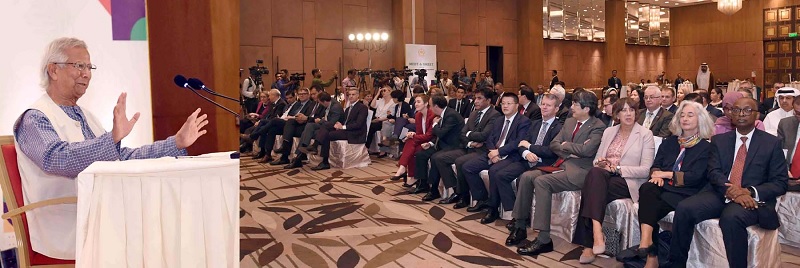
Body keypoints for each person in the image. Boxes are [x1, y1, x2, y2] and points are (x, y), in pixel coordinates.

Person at [13, 37, 208, 260]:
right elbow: (58, 159)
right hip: (65, 223)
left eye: (89, 67)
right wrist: (111, 139)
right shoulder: (35, 118)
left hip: (98, 215)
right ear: (53, 70)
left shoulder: (87, 116)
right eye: (79, 66)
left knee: (166, 220)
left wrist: (175, 143)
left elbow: (121, 158)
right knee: (150, 230)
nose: (86, 74)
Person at [669, 97, 788, 268]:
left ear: (757, 115)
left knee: (731, 218)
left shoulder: (771, 143)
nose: (741, 114)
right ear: (730, 114)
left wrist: (748, 192)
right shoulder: (720, 140)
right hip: (722, 192)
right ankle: (676, 264)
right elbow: (714, 172)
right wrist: (732, 191)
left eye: (747, 110)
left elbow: (780, 183)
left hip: (753, 200)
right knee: (685, 208)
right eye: (736, 110)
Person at [513, 90, 607, 256]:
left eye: (575, 105)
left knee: (542, 182)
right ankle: (519, 225)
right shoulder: (570, 122)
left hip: (579, 172)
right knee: (527, 176)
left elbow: (587, 150)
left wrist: (566, 145)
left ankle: (543, 239)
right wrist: (570, 149)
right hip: (561, 165)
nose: (571, 107)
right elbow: (554, 145)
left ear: (586, 109)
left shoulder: (598, 126)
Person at [572, 97, 654, 264]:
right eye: (623, 110)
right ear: (617, 114)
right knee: (595, 174)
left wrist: (617, 169)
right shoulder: (609, 132)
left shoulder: (645, 134)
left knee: (591, 186)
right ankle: (597, 233)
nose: (628, 114)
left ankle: (590, 242)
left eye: (631, 110)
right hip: (604, 176)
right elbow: (596, 161)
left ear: (636, 113)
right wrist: (602, 163)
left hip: (628, 180)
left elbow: (645, 170)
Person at [636, 101, 715, 267]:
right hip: (663, 187)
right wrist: (655, 174)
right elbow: (656, 165)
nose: (684, 118)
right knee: (647, 188)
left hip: (687, 192)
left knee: (650, 204)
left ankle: (651, 254)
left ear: (700, 119)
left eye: (690, 115)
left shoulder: (705, 147)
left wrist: (664, 174)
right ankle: (646, 243)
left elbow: (695, 177)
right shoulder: (670, 142)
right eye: (682, 115)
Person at [503, 94, 563, 245]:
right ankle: (517, 219)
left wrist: (530, 147)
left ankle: (520, 224)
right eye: (543, 104)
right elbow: (521, 145)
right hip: (526, 161)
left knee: (526, 177)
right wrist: (527, 153)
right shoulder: (534, 123)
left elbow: (551, 151)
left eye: (548, 105)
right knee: (502, 172)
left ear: (556, 109)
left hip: (546, 165)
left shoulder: (559, 128)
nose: (544, 107)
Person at [461, 93, 531, 221]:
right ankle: (483, 199)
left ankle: (493, 209)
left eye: (509, 103)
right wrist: (492, 152)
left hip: (511, 156)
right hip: (492, 153)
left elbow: (518, 142)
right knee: (468, 167)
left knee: (494, 171)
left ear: (516, 106)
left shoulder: (524, 121)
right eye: (503, 103)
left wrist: (499, 152)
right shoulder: (499, 120)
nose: (505, 106)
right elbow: (490, 138)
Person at [430, 88, 501, 207]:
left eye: (479, 98)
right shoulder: (474, 113)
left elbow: (484, 135)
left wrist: (470, 135)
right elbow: (462, 134)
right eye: (475, 98)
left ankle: (468, 196)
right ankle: (455, 190)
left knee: (460, 162)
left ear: (488, 100)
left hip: (483, 150)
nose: (476, 101)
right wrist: (470, 142)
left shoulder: (495, 115)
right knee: (439, 158)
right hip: (468, 147)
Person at [412, 96, 465, 198]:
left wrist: (435, 124)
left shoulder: (451, 115)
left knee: (435, 158)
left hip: (454, 146)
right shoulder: (443, 114)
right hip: (443, 144)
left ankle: (435, 189)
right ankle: (423, 184)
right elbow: (438, 135)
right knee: (421, 154)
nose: (430, 108)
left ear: (436, 106)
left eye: (431, 105)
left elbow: (440, 133)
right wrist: (430, 143)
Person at [309, 88, 369, 170]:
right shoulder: (348, 109)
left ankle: (323, 159)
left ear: (358, 96)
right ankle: (321, 156)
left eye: (353, 94)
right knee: (327, 127)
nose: (351, 96)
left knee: (327, 133)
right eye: (349, 95)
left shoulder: (362, 108)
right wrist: (340, 125)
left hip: (355, 133)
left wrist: (343, 127)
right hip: (346, 130)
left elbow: (358, 124)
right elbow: (345, 121)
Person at [388, 94, 436, 186]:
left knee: (410, 144)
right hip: (421, 141)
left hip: (431, 142)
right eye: (415, 102)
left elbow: (429, 135)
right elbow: (419, 132)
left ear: (426, 104)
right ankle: (408, 173)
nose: (416, 104)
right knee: (410, 146)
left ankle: (403, 169)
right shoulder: (418, 115)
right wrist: (413, 134)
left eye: (419, 102)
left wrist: (413, 136)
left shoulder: (432, 115)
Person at [290, 91, 343, 168]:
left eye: (320, 102)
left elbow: (331, 124)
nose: (319, 104)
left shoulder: (335, 107)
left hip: (334, 127)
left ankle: (302, 154)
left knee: (320, 131)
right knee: (310, 126)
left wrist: (320, 121)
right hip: (325, 124)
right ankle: (303, 150)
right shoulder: (328, 102)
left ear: (324, 102)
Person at [777, 96, 800, 179]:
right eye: (797, 113)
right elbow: (779, 152)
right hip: (788, 172)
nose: (798, 116)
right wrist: (784, 170)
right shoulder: (785, 124)